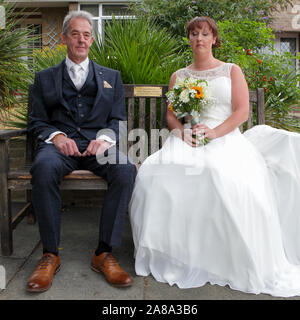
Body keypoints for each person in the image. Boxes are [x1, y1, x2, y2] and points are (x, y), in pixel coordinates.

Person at [129, 16, 300, 297]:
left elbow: (242, 111)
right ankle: (175, 254)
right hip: (187, 138)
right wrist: (182, 133)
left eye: (205, 34)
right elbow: (172, 117)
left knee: (221, 176)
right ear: (189, 39)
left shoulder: (231, 71)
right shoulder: (179, 76)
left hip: (224, 137)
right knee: (155, 174)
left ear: (214, 39)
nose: (199, 38)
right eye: (194, 33)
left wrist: (215, 133)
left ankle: (220, 257)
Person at [27, 10, 136, 292]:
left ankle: (103, 253)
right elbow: (36, 120)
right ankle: (50, 254)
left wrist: (106, 138)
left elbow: (117, 120)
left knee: (125, 169)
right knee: (43, 167)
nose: (81, 40)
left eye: (86, 34)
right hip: (59, 147)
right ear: (64, 38)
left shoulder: (111, 76)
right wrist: (57, 135)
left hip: (97, 145)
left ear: (92, 39)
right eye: (75, 34)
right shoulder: (44, 78)